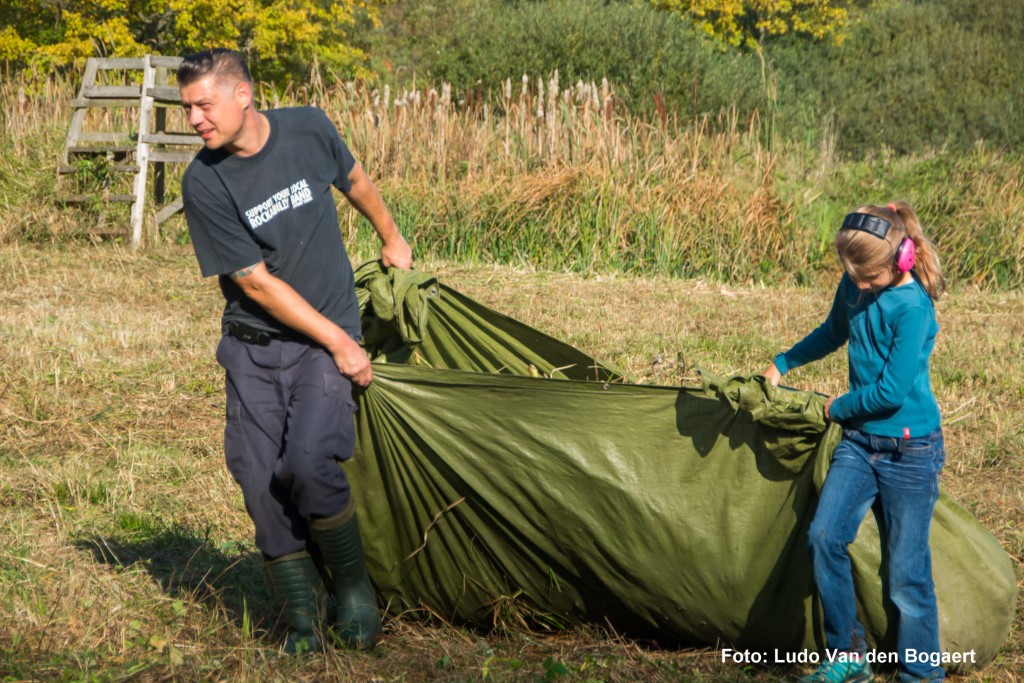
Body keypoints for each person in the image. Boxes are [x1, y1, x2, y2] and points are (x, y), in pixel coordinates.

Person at [176, 48, 413, 653]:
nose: (195, 120)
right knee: (257, 477)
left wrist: (392, 236)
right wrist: (341, 341)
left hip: (323, 338)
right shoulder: (203, 180)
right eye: (188, 109)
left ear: (242, 95)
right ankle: (302, 613)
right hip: (253, 347)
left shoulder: (309, 127)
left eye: (203, 105)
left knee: (308, 463)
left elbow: (355, 181)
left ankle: (355, 592)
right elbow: (253, 282)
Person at [762, 201, 946, 683]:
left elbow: (891, 391)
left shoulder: (912, 308)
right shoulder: (857, 284)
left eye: (867, 279)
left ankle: (921, 674)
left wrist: (835, 408)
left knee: (907, 573)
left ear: (899, 262)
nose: (859, 288)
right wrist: (784, 362)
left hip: (910, 451)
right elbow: (833, 332)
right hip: (861, 443)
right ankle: (847, 653)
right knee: (824, 536)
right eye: (853, 278)